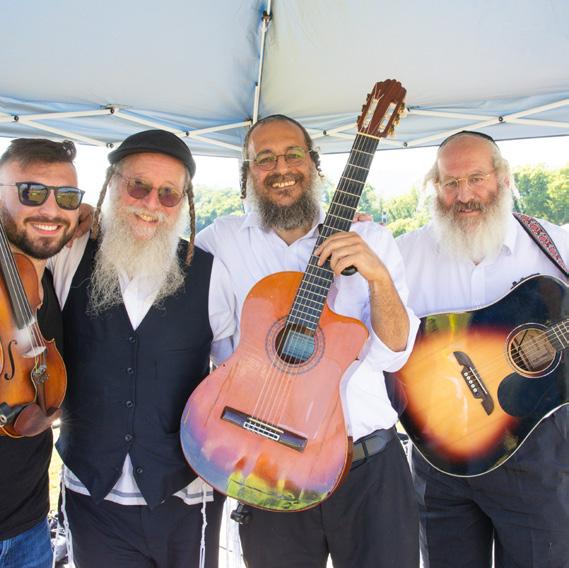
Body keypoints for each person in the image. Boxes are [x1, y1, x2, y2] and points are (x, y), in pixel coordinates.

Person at [196, 114, 421, 568]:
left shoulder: (370, 238)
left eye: (293, 154)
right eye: (265, 158)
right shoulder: (221, 241)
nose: (281, 168)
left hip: (368, 467)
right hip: (269, 465)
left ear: (315, 164)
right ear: (248, 172)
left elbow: (394, 354)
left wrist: (377, 277)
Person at [48, 130, 236, 568]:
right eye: (138, 186)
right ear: (112, 183)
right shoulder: (68, 254)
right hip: (91, 495)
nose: (152, 203)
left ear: (184, 202)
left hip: (184, 497)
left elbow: (236, 378)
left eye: (169, 194)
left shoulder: (211, 274)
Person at [397, 131, 569, 568]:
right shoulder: (403, 256)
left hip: (536, 451)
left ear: (503, 178)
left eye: (476, 178)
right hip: (439, 455)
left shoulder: (555, 247)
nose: (464, 195)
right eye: (451, 183)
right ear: (435, 187)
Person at [0, 138, 82, 568]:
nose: (50, 209)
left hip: (29, 527)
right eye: (31, 192)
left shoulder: (51, 278)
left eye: (66, 197)